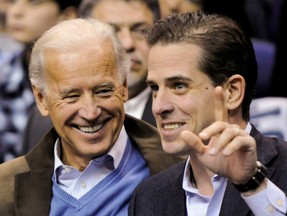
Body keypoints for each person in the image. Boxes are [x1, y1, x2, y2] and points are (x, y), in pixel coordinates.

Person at [0, 18, 182, 215]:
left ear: (124, 87)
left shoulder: (182, 169)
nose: (91, 112)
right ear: (41, 98)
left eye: (103, 91)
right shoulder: (5, 187)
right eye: (72, 96)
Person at [129, 11, 287, 215]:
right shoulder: (148, 197)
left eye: (179, 86)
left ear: (232, 92)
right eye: (155, 88)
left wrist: (252, 185)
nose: (159, 107)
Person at [21, 0, 160, 154]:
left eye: (141, 30)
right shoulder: (40, 123)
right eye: (112, 31)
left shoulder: (177, 114)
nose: (127, 44)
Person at [0, 0, 81, 162]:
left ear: (68, 15)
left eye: (34, 2)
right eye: (13, 1)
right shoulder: (4, 75)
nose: (16, 12)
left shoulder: (85, 79)